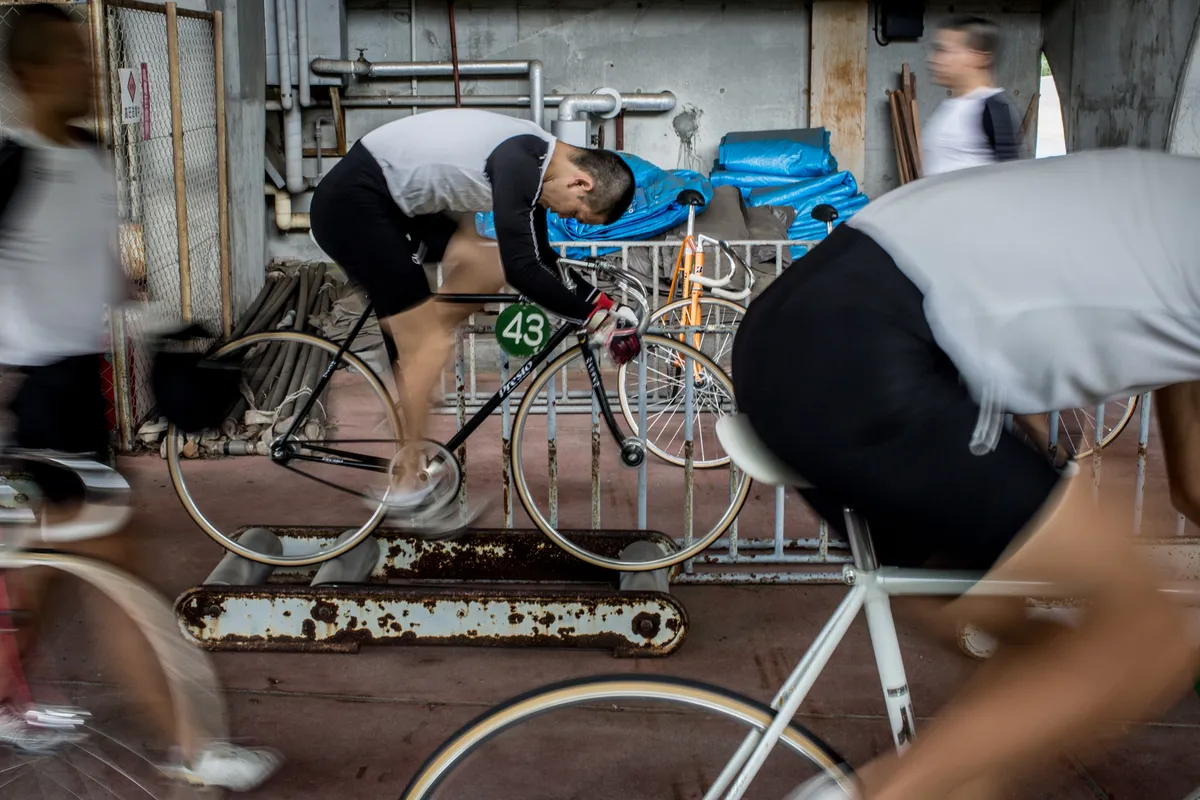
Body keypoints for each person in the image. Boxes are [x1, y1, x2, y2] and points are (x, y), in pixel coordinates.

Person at [732, 149, 1200, 800]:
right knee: (1144, 641)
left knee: (1033, 674)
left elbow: (1194, 479)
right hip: (875, 351)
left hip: (803, 332)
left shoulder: (1174, 202)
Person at [0, 6, 280, 789]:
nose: (89, 69)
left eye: (89, 54)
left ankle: (5, 702)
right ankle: (193, 750)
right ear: (28, 76)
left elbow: (101, 274)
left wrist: (167, 326)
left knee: (53, 572)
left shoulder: (90, 156)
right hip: (41, 406)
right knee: (122, 580)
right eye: (69, 58)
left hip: (82, 394)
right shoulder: (11, 170)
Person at [309, 109, 639, 531]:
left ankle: (414, 361)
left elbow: (540, 260)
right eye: (576, 213)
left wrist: (600, 305)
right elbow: (526, 270)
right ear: (581, 182)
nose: (566, 218)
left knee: (488, 263)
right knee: (430, 343)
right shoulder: (520, 160)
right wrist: (595, 319)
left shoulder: (536, 161)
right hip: (354, 203)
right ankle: (409, 483)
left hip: (394, 204)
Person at [922, 16, 1024, 176]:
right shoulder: (951, 106)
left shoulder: (993, 109)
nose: (934, 59)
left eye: (944, 50)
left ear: (979, 57)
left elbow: (1009, 179)